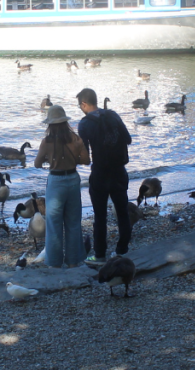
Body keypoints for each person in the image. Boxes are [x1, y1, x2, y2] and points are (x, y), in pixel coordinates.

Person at [76, 87, 134, 264]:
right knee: (122, 212)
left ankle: (100, 256)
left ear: (84, 104)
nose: (80, 108)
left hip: (100, 173)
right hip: (119, 171)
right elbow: (128, 139)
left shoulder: (84, 124)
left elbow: (85, 155)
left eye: (80, 105)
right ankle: (122, 251)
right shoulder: (113, 115)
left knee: (100, 216)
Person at [34, 106, 90, 268]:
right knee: (73, 222)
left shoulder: (46, 142)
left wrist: (50, 160)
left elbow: (37, 163)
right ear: (65, 122)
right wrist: (72, 161)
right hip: (73, 179)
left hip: (56, 181)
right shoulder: (77, 139)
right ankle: (73, 261)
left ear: (50, 124)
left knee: (54, 224)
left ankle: (54, 263)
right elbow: (86, 160)